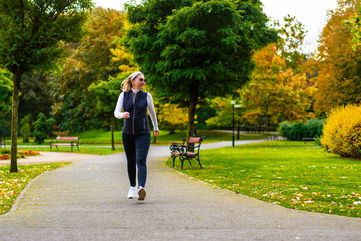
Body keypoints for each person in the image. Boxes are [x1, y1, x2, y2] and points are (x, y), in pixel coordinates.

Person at [114, 71, 159, 201]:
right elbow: (116, 111)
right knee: (131, 161)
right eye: (141, 80)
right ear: (133, 81)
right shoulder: (124, 95)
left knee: (140, 160)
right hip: (127, 133)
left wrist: (155, 127)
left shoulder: (146, 96)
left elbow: (152, 113)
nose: (143, 82)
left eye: (144, 80)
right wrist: (122, 115)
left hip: (143, 133)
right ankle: (132, 187)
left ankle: (141, 188)